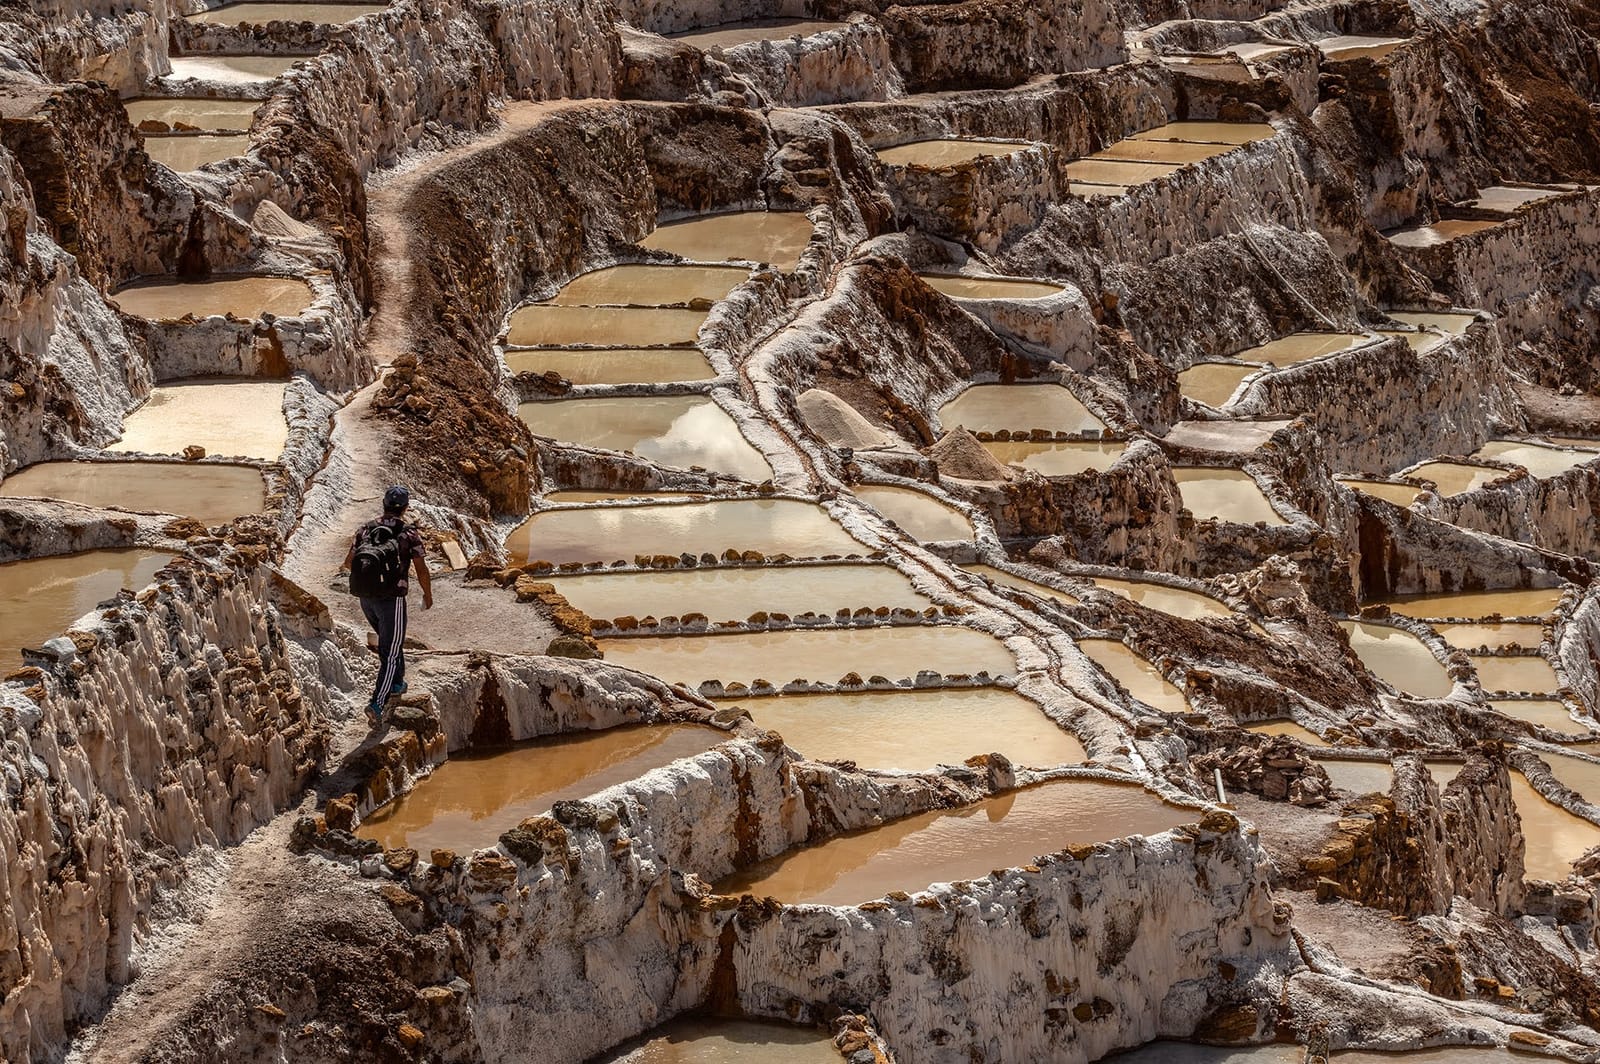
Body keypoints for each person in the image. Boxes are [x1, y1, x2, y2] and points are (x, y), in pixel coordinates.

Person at [342, 485, 432, 724]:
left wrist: (373, 579)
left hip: (366, 598)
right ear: (405, 508)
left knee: (390, 642)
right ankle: (377, 703)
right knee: (390, 652)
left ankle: (397, 683)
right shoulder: (408, 534)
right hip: (392, 599)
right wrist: (427, 594)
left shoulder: (365, 530)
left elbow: (349, 563)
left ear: (383, 504)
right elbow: (422, 569)